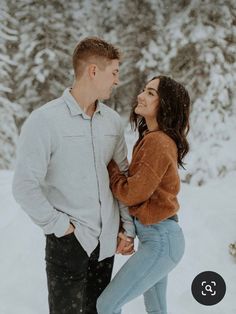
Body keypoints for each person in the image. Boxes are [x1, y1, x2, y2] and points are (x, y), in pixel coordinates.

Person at [12, 37, 135, 314]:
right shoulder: (45, 121)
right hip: (68, 245)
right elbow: (24, 186)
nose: (117, 80)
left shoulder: (113, 122)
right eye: (114, 72)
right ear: (93, 71)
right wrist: (61, 228)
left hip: (105, 246)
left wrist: (127, 228)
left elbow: (123, 179)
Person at [97, 75, 190, 314]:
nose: (141, 95)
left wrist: (110, 168)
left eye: (150, 93)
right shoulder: (153, 139)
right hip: (160, 238)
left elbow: (133, 193)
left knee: (106, 305)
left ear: (166, 104)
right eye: (144, 89)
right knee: (156, 310)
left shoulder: (158, 142)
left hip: (160, 240)